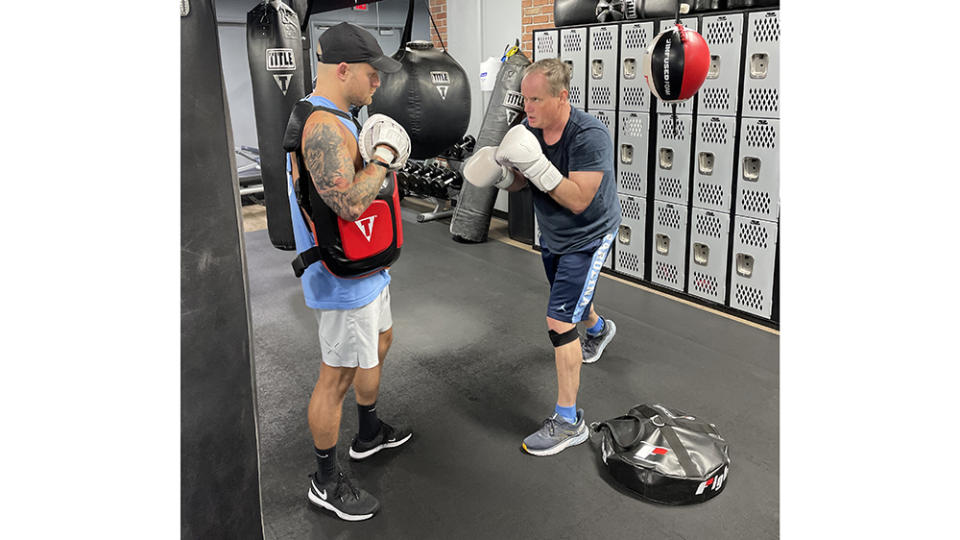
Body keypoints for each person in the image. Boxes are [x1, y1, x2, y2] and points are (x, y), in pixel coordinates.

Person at [285, 22, 413, 521]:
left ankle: (369, 433)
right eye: (371, 73)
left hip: (366, 269)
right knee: (335, 377)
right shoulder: (322, 127)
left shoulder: (340, 117)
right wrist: (382, 159)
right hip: (341, 280)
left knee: (381, 342)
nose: (377, 83)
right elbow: (348, 204)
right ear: (343, 70)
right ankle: (324, 479)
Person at [462, 58, 621, 456]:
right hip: (552, 234)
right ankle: (599, 329)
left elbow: (580, 200)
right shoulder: (529, 129)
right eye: (525, 98)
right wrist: (502, 174)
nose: (527, 107)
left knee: (559, 318)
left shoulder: (589, 135)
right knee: (573, 304)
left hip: (588, 235)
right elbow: (521, 181)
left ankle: (569, 422)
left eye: (535, 99)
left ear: (561, 97)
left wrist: (535, 164)